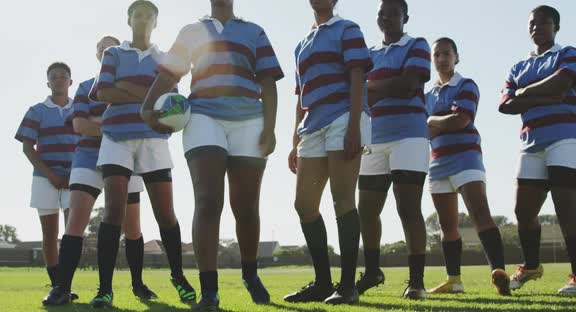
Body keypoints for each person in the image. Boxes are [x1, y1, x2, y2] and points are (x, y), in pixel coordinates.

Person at [142, 0, 283, 310]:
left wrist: (270, 129)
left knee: (245, 206)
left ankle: (250, 274)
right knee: (208, 201)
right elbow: (168, 75)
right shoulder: (192, 31)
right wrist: (146, 105)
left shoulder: (254, 31)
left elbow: (269, 82)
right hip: (204, 117)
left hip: (250, 120)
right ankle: (209, 291)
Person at [88, 1, 195, 307]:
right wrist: (151, 96)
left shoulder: (165, 58)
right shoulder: (113, 54)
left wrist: (127, 89)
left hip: (153, 140)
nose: (143, 19)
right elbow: (103, 91)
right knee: (113, 213)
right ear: (129, 19)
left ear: (156, 22)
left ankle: (178, 275)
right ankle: (104, 289)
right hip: (116, 138)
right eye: (138, 14)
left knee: (165, 214)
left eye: (150, 15)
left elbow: (173, 102)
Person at [42, 36, 156, 306]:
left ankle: (138, 285)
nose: (107, 52)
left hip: (128, 157)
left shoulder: (136, 86)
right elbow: (80, 125)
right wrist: (117, 124)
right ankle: (61, 288)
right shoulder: (84, 87)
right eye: (102, 49)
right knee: (75, 223)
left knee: (133, 229)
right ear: (97, 56)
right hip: (88, 157)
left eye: (112, 48)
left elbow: (143, 121)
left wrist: (102, 122)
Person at [282, 0, 372, 305]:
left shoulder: (347, 29)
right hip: (312, 125)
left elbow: (358, 75)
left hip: (344, 117)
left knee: (342, 199)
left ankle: (348, 287)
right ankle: (323, 283)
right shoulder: (300, 45)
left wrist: (355, 126)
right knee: (304, 204)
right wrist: (294, 140)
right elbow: (300, 97)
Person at [499, 5, 576, 295]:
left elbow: (563, 83)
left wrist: (524, 92)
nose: (536, 27)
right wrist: (544, 93)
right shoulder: (517, 67)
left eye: (543, 22)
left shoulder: (569, 54)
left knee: (565, 208)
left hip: (568, 138)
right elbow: (505, 105)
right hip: (531, 143)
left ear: (556, 27)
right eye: (531, 23)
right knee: (522, 211)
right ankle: (532, 266)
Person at [356, 0, 430, 300]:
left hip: (408, 136)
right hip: (373, 138)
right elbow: (359, 93)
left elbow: (408, 85)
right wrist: (377, 86)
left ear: (405, 17)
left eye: (393, 13)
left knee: (408, 208)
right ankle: (373, 272)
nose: (386, 18)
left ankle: (416, 282)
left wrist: (369, 87)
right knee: (366, 212)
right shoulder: (369, 55)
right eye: (381, 14)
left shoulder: (418, 45)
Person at [425, 37, 510, 296]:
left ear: (456, 57)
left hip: (466, 158)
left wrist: (431, 119)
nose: (441, 59)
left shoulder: (467, 85)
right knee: (447, 225)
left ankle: (499, 273)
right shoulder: (426, 94)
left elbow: (460, 120)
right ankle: (454, 281)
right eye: (437, 55)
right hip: (437, 163)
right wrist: (440, 120)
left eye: (446, 54)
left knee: (479, 215)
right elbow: (424, 130)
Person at [15, 62, 78, 294]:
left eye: (63, 76)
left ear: (70, 82)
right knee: (49, 234)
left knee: (72, 233)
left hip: (75, 178)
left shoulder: (80, 110)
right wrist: (51, 175)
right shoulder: (36, 110)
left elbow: (88, 145)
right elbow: (27, 147)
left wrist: (73, 174)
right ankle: (56, 285)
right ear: (48, 82)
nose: (59, 79)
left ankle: (66, 286)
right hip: (44, 178)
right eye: (54, 77)